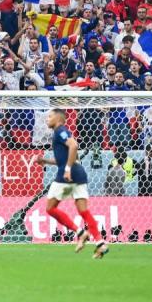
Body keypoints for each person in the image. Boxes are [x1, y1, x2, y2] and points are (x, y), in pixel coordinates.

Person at [37, 109, 109, 259]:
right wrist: (45, 161)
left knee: (50, 208)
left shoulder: (60, 131)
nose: (47, 119)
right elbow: (65, 157)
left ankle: (80, 232)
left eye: (50, 116)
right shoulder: (62, 132)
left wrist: (67, 169)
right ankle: (100, 243)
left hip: (67, 176)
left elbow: (74, 146)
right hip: (79, 174)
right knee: (83, 211)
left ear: (58, 119)